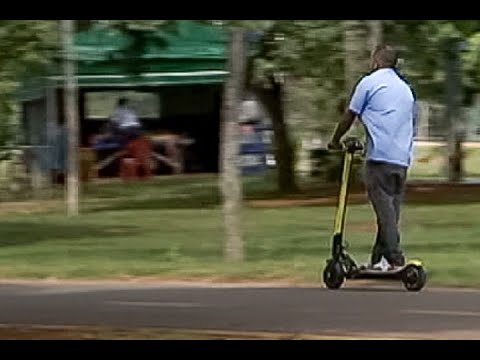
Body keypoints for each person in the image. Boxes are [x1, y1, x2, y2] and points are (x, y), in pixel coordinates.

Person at [328, 44, 417, 271]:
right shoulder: (406, 89)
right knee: (390, 211)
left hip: (379, 158)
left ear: (376, 61)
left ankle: (396, 258)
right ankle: (379, 261)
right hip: (402, 159)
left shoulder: (369, 82)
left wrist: (335, 140)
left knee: (385, 212)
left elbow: (350, 115)